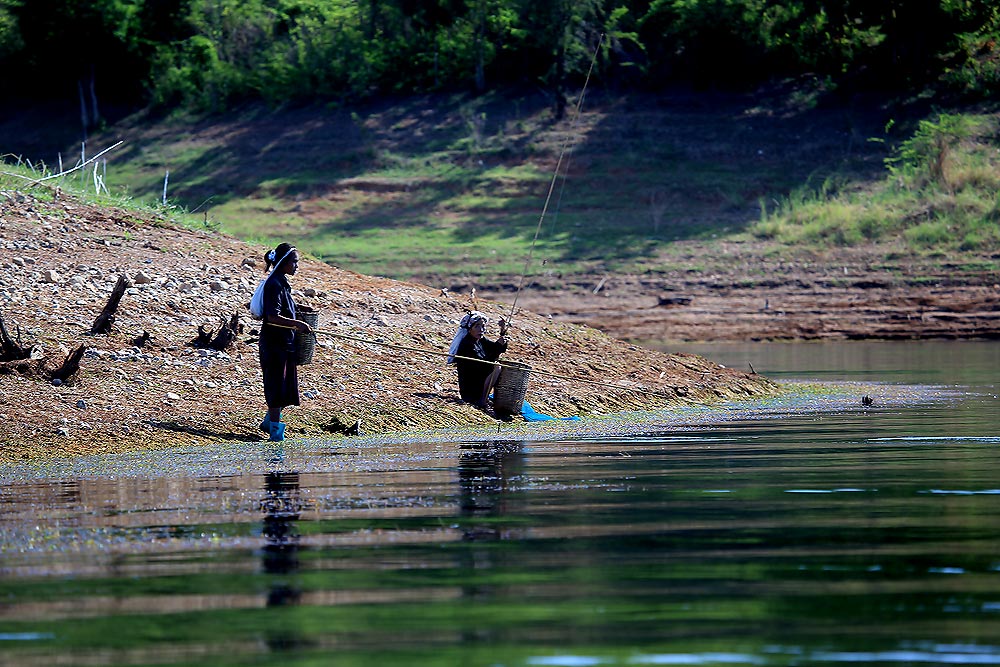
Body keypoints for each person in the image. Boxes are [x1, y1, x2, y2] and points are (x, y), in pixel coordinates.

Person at [258, 243, 312, 442]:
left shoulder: (281, 282)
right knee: (275, 384)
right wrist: (298, 323)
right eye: (294, 262)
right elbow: (272, 317)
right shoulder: (274, 284)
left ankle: (268, 423)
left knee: (283, 384)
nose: (297, 266)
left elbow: (284, 307)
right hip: (274, 344)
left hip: (284, 343)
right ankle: (275, 432)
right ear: (283, 262)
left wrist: (299, 309)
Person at [447, 310, 509, 408]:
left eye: (483, 326)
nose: (481, 329)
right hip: (471, 389)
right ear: (469, 329)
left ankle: (485, 397)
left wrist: (502, 332)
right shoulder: (466, 345)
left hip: (480, 381)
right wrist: (497, 346)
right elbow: (482, 364)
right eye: (477, 326)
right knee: (496, 366)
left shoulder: (480, 340)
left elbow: (495, 349)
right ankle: (482, 400)